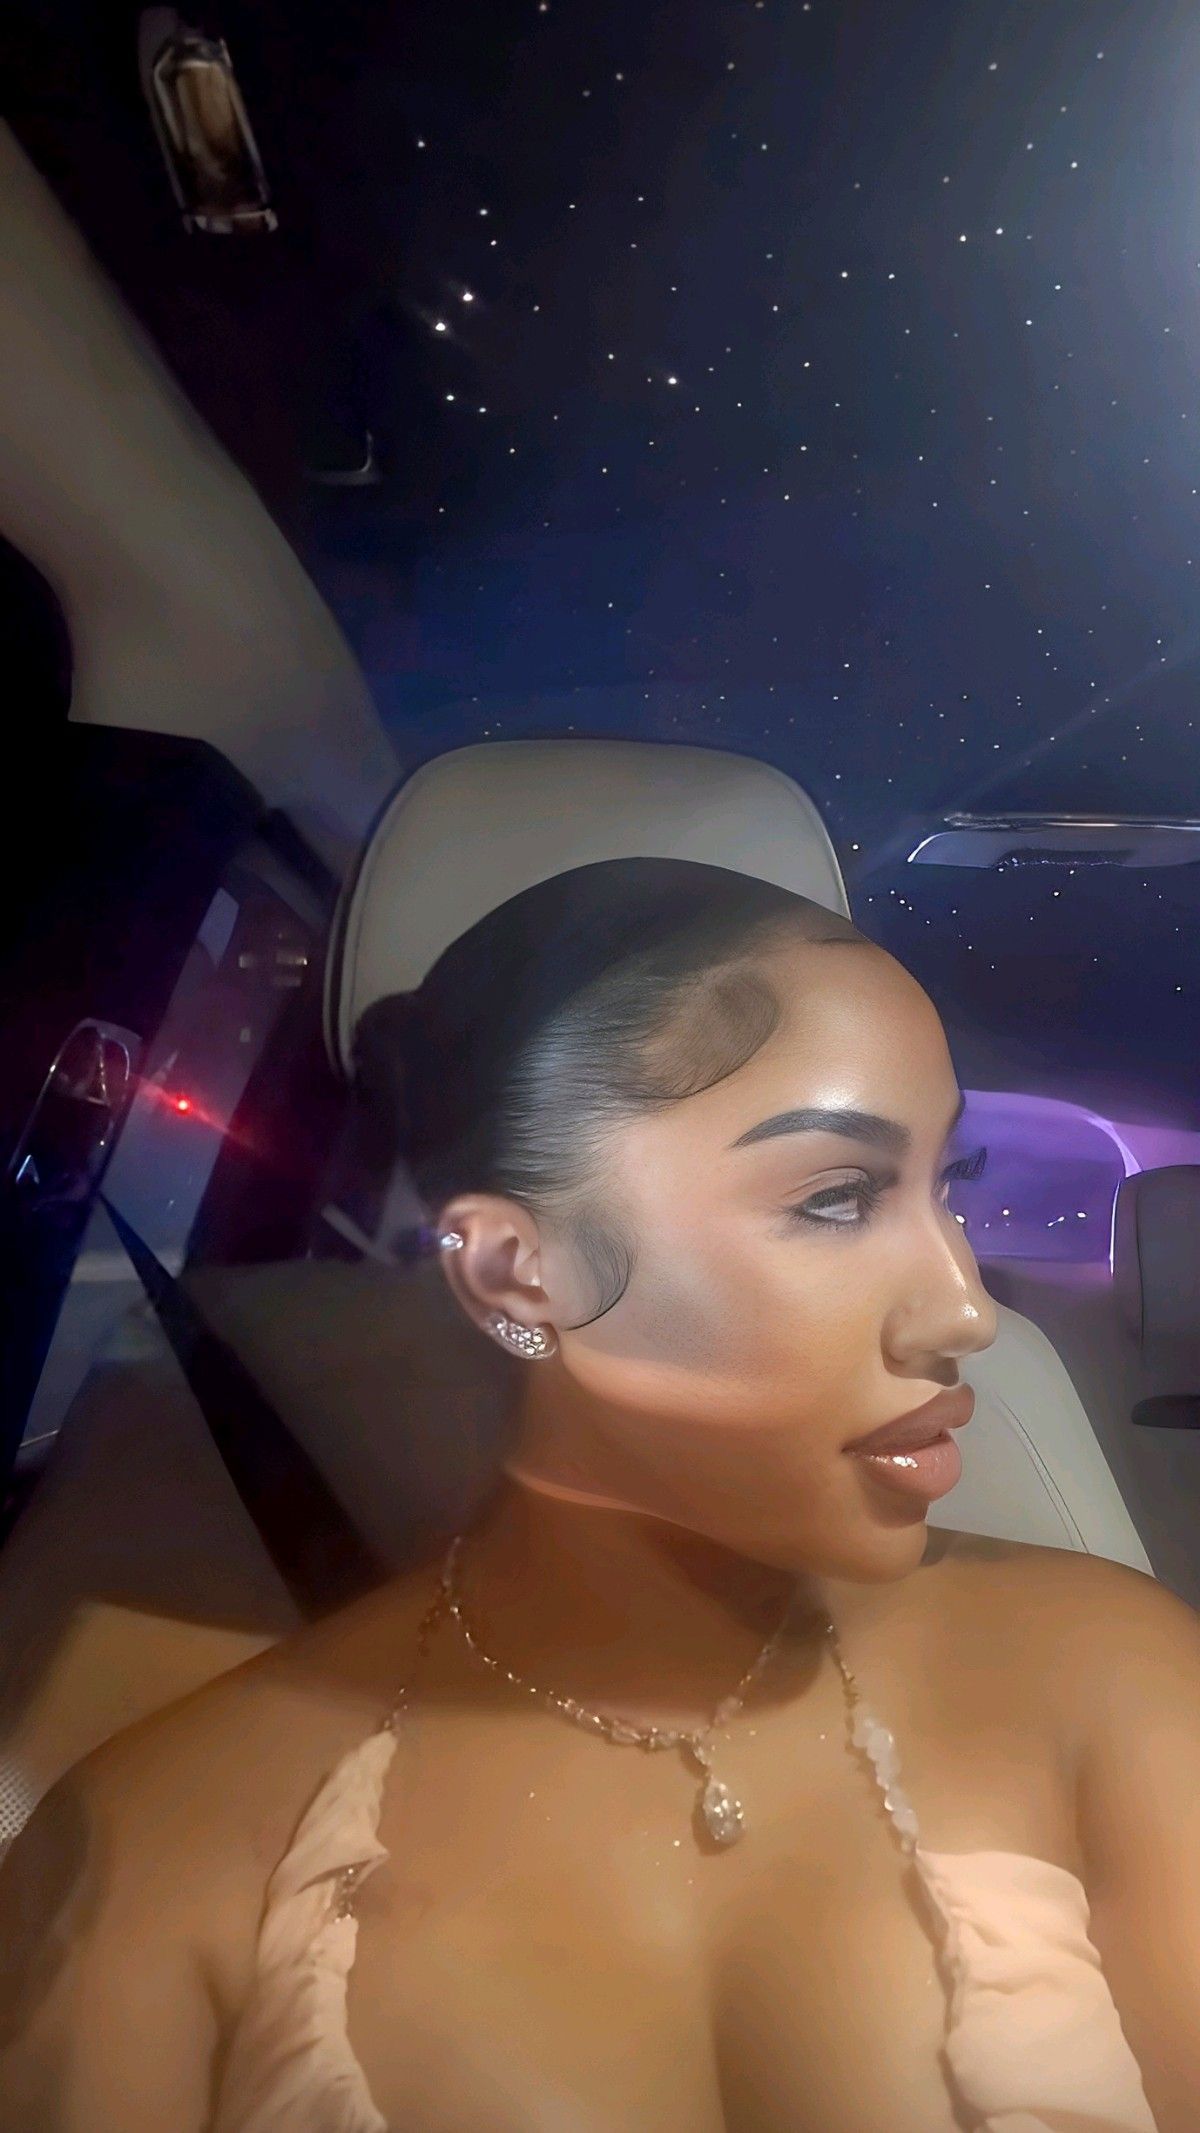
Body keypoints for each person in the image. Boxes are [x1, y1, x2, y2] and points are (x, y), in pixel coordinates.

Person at [2, 856, 1199, 2133]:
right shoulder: (161, 1852)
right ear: (520, 1274)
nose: (965, 1310)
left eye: (948, 1184)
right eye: (839, 1197)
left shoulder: (1112, 1678)